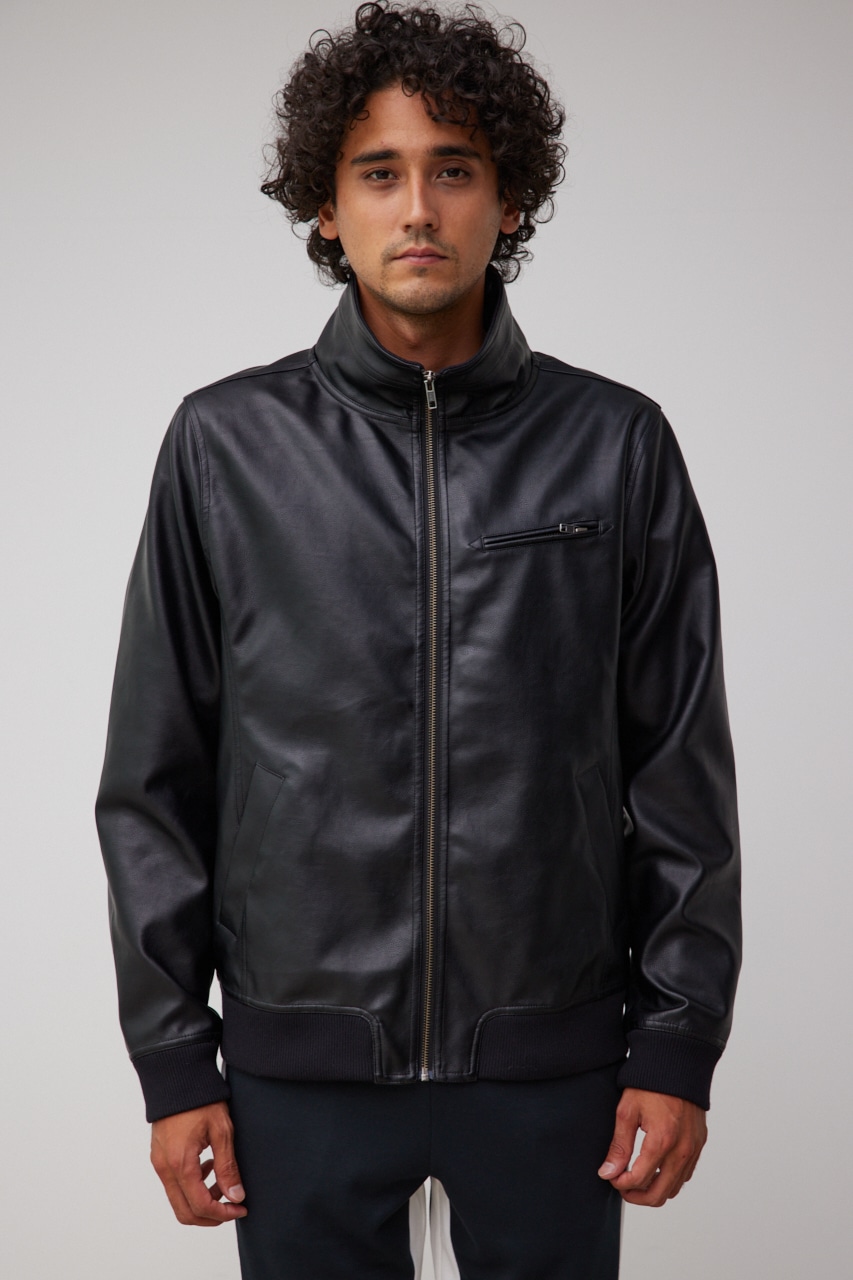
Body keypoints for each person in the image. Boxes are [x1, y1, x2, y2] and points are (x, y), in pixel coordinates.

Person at [95, 3, 741, 1277]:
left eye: (453, 170)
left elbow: (679, 766)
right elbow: (154, 776)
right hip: (298, 1066)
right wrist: (175, 1058)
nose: (418, 210)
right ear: (325, 209)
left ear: (510, 201)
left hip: (552, 1062)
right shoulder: (226, 446)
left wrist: (676, 1041)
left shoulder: (613, 444)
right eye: (379, 174)